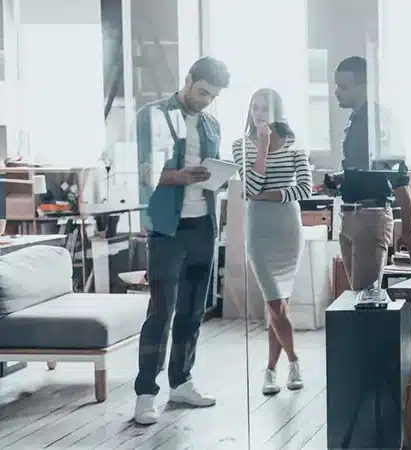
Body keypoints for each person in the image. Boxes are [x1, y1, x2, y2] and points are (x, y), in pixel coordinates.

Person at [132, 57, 230, 425]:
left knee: (192, 311)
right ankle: (145, 393)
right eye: (202, 92)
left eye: (212, 96)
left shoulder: (212, 124)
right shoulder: (151, 116)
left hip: (203, 225)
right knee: (161, 312)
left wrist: (217, 176)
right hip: (166, 229)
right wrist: (180, 177)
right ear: (188, 80)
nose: (206, 101)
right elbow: (142, 173)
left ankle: (182, 382)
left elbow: (211, 173)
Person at [231, 88, 312, 395]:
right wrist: (263, 147)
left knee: (277, 306)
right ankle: (294, 361)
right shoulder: (241, 145)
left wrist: (267, 196)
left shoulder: (294, 144)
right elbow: (251, 186)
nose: (259, 113)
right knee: (275, 303)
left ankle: (270, 370)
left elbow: (304, 189)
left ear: (277, 111)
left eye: (265, 108)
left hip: (287, 228)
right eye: (255, 108)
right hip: (259, 230)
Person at [330, 56, 411, 298]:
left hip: (370, 217)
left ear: (363, 88)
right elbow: (364, 172)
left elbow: (398, 178)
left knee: (366, 300)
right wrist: (339, 180)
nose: (336, 92)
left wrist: (408, 228)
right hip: (350, 215)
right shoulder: (355, 120)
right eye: (337, 86)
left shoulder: (380, 122)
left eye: (343, 87)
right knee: (358, 296)